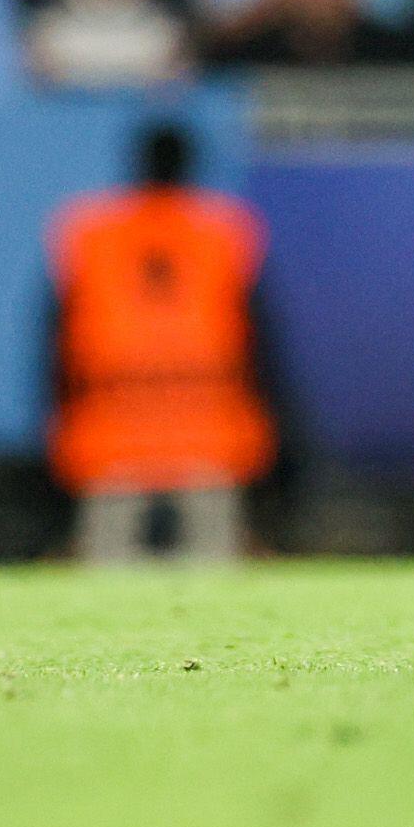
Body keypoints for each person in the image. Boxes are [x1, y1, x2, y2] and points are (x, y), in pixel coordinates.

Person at [42, 120, 286, 564]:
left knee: (105, 577)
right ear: (192, 165)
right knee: (218, 573)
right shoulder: (224, 231)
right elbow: (263, 342)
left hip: (110, 432)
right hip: (210, 433)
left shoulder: (89, 232)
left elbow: (54, 342)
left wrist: (56, 419)